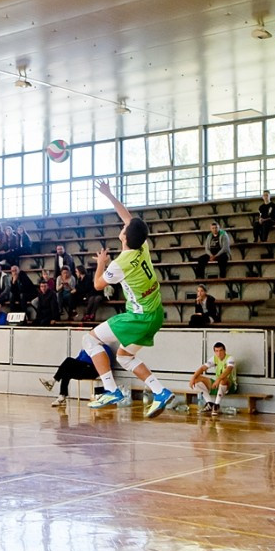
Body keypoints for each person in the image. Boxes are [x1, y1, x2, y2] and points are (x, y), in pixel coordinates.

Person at [86, 179, 174, 419]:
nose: (123, 226)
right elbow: (128, 219)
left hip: (140, 316)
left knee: (90, 341)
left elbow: (97, 285)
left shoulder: (120, 264)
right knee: (124, 357)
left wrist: (101, 263)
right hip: (155, 313)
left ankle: (111, 390)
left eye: (125, 228)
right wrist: (109, 195)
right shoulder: (141, 246)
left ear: (124, 237)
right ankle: (160, 391)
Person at [40, 343, 115, 407]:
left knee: (68, 360)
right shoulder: (86, 348)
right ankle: (62, 396)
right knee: (66, 371)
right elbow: (77, 360)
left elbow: (108, 364)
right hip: (82, 368)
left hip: (93, 369)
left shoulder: (104, 348)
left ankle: (53, 381)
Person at [189, 341, 237, 417]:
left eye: (221, 350)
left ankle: (216, 405)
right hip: (218, 383)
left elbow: (228, 370)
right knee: (197, 380)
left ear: (224, 351)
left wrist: (218, 380)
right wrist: (192, 378)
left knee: (223, 380)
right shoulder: (214, 358)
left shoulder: (230, 358)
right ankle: (210, 403)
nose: (219, 353)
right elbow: (202, 368)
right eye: (216, 351)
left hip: (230, 385)